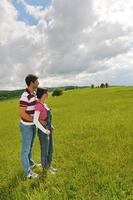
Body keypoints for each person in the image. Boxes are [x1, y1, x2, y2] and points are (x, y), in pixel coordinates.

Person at [19, 74, 42, 179]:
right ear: (32, 83)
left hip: (32, 125)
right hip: (26, 126)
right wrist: (35, 120)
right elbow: (22, 114)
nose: (38, 83)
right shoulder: (25, 96)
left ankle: (31, 163)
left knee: (30, 146)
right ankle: (28, 173)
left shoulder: (34, 93)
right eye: (37, 81)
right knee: (25, 150)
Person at [34, 87, 57, 175]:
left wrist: (50, 125)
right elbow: (35, 121)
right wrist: (44, 130)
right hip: (43, 131)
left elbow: (47, 118)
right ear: (41, 95)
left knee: (50, 149)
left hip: (49, 129)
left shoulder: (45, 104)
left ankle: (49, 166)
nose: (47, 95)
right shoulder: (38, 105)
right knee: (45, 150)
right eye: (45, 93)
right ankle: (45, 168)